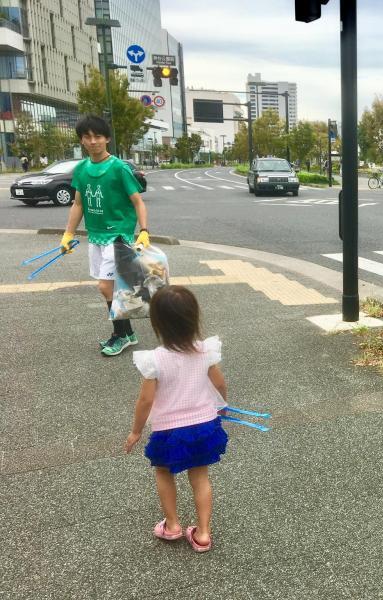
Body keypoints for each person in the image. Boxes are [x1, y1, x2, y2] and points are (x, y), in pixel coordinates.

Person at [124, 285, 228, 553]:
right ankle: (203, 533)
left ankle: (172, 525)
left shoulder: (155, 360)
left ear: (157, 323)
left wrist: (136, 431)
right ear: (194, 318)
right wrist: (222, 407)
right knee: (200, 475)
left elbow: (145, 401)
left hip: (169, 431)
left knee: (163, 471)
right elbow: (220, 384)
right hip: (204, 426)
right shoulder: (205, 351)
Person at [60, 115, 148, 356]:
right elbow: (78, 204)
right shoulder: (81, 169)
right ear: (81, 140)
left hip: (118, 235)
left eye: (98, 136)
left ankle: (120, 336)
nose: (93, 141)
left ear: (107, 138)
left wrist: (143, 232)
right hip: (95, 236)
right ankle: (127, 333)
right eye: (87, 137)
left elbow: (138, 202)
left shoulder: (119, 168)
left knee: (105, 287)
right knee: (109, 288)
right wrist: (68, 234)